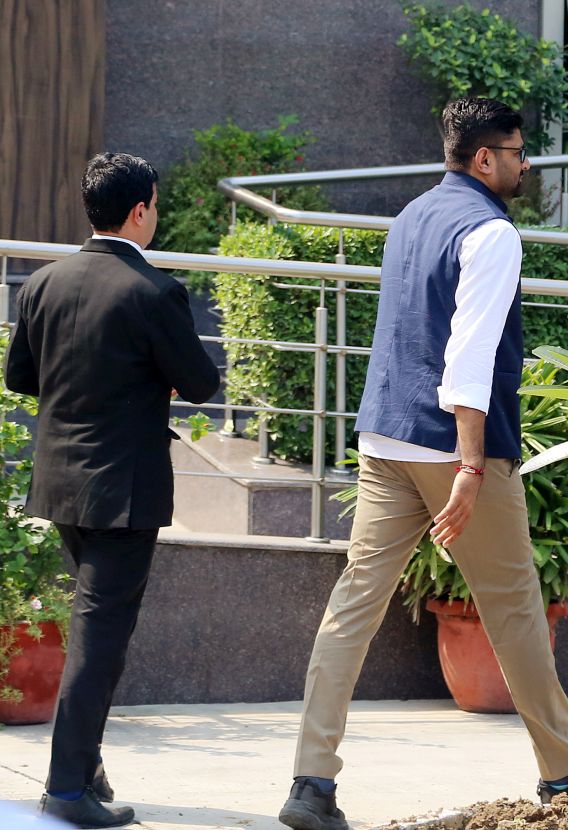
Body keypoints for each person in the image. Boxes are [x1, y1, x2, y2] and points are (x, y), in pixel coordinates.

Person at [278, 98, 568, 830]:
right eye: (516, 152)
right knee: (513, 606)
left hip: (385, 440)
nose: (525, 164)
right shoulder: (492, 232)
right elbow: (469, 355)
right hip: (454, 447)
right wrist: (473, 465)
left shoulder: (412, 215)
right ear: (485, 158)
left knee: (353, 607)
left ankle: (309, 784)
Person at [5, 152, 221, 828]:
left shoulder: (43, 283)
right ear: (139, 211)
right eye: (155, 204)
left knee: (100, 631)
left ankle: (84, 767)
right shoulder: (154, 292)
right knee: (102, 639)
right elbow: (204, 384)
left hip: (61, 482)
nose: (155, 214)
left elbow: (21, 378)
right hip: (122, 491)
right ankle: (67, 789)